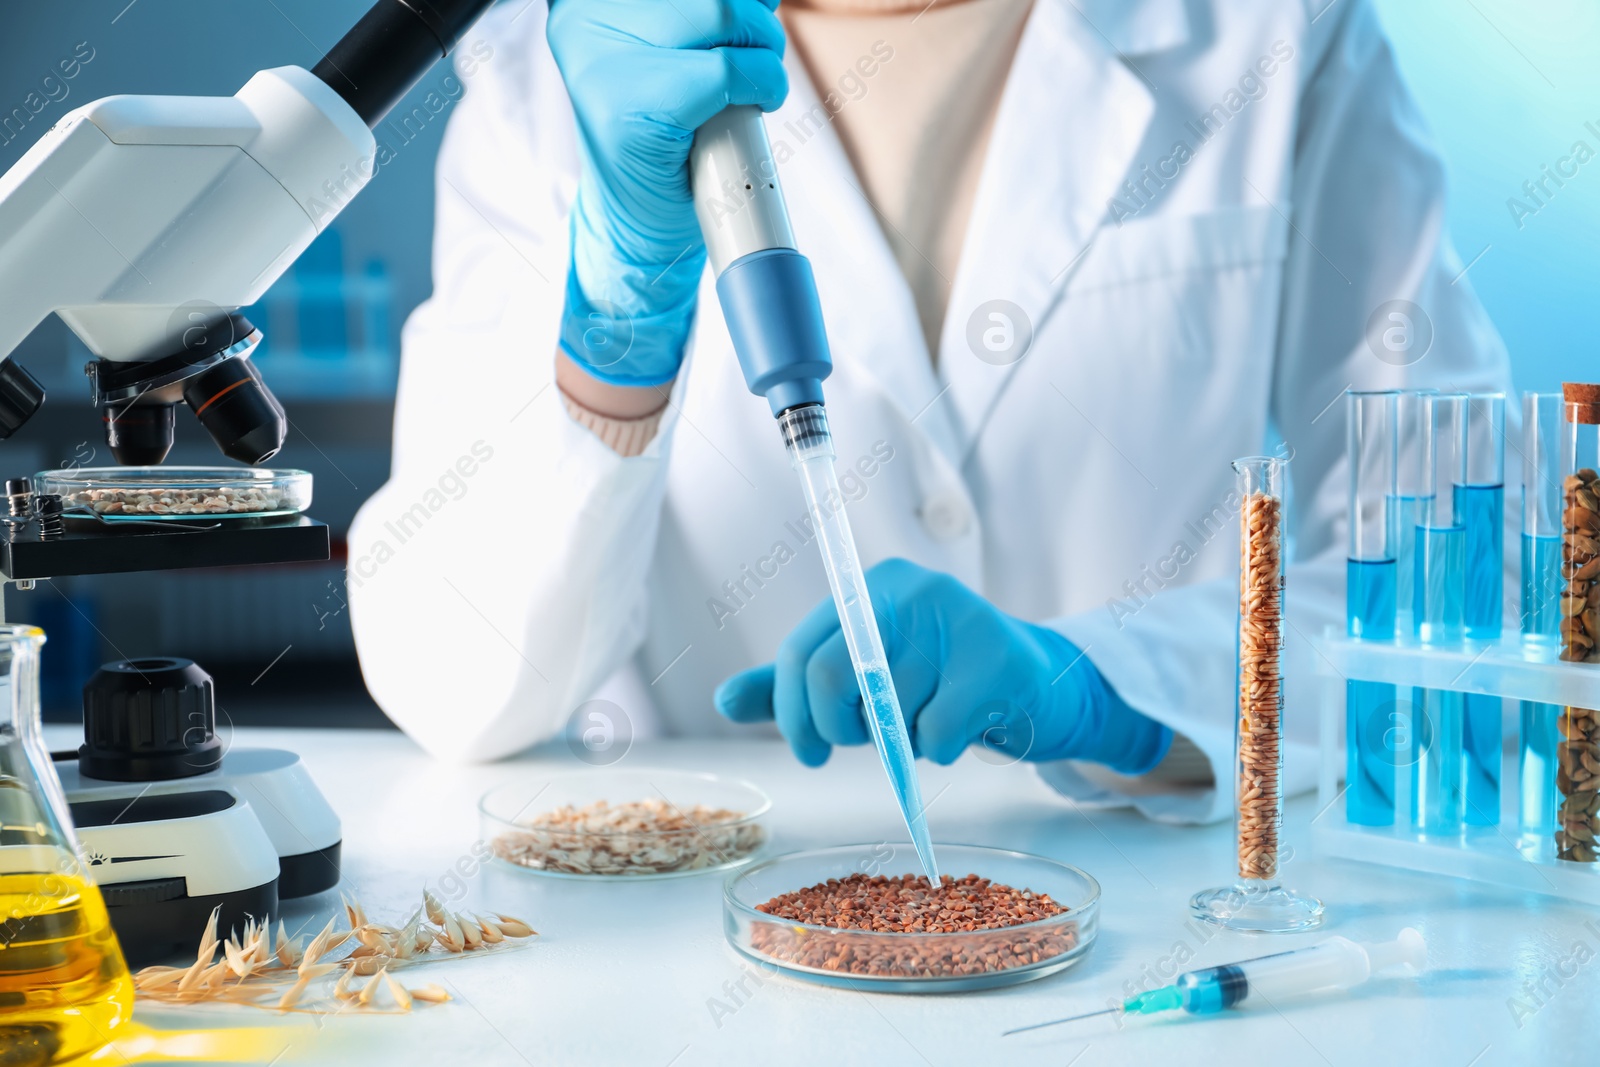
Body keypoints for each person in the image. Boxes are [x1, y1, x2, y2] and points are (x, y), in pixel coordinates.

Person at [347, 0, 1510, 822]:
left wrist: (1108, 693)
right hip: (694, 948)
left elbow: (1465, 585)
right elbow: (456, 682)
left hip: (1148, 922)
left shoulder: (1269, 32)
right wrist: (618, 318)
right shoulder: (560, 76)